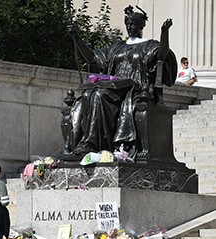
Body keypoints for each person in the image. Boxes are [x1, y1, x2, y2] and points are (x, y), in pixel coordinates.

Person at [67, 5, 177, 159]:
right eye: (128, 24)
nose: (130, 27)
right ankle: (89, 144)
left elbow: (162, 55)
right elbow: (92, 58)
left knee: (100, 95)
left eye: (133, 24)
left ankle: (92, 144)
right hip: (114, 87)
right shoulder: (117, 47)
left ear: (141, 25)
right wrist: (77, 39)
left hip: (135, 89)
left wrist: (164, 33)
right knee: (87, 95)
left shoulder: (149, 45)